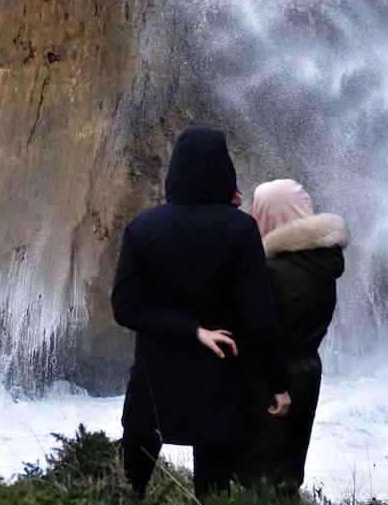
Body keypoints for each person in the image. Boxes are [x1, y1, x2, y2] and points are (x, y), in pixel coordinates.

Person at [112, 128, 290, 501]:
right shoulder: (241, 229)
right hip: (219, 376)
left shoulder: (143, 227)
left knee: (130, 488)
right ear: (223, 170)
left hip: (153, 377)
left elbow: (125, 307)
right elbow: (259, 317)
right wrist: (278, 383)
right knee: (212, 491)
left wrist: (189, 329)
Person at [233, 180, 347, 497]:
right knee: (287, 472)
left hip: (269, 380)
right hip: (307, 370)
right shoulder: (324, 263)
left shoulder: (269, 271)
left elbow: (257, 328)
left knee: (256, 476)